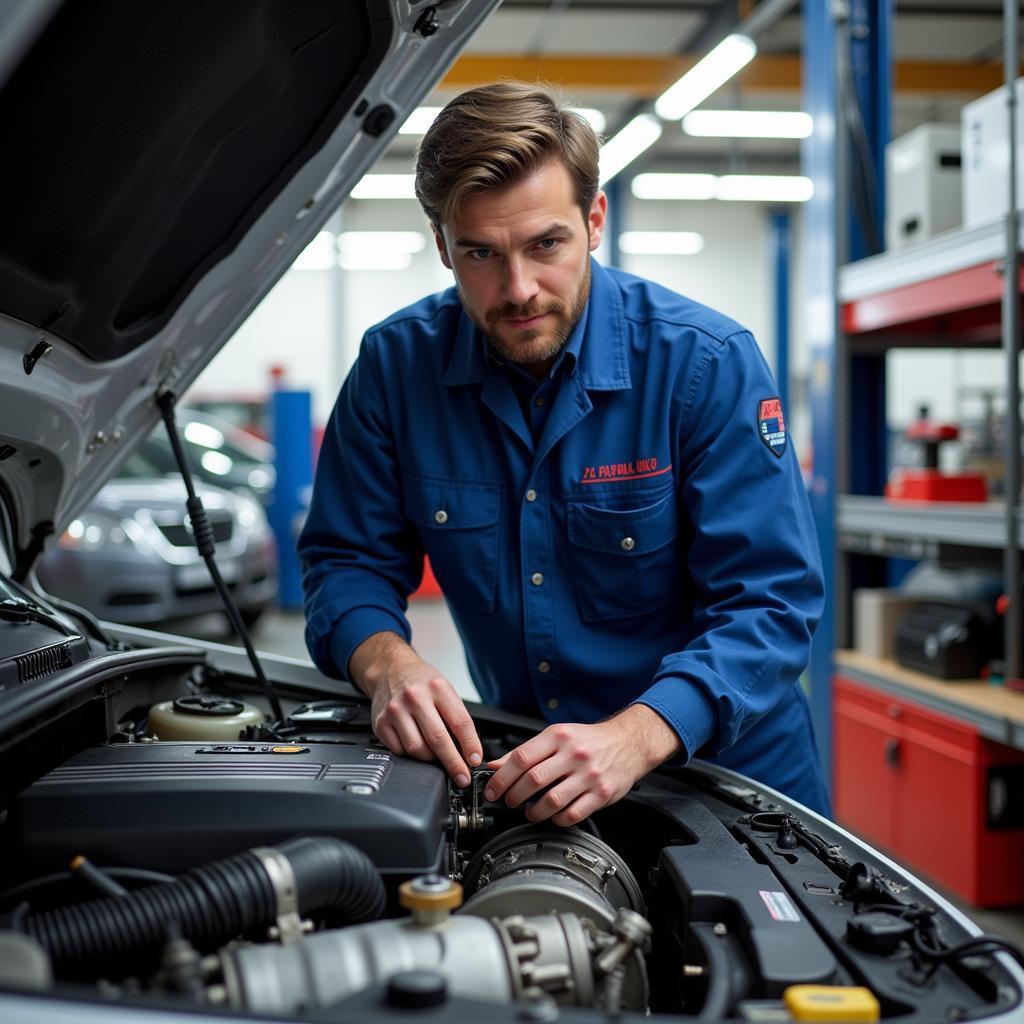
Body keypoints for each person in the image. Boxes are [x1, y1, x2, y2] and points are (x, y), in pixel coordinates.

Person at [298, 82, 829, 822]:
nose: (519, 289)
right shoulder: (395, 369)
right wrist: (389, 664)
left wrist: (640, 733)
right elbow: (345, 560)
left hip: (729, 781)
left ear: (595, 220)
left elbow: (770, 602)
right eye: (481, 253)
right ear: (442, 243)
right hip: (530, 770)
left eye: (546, 244)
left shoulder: (704, 364)